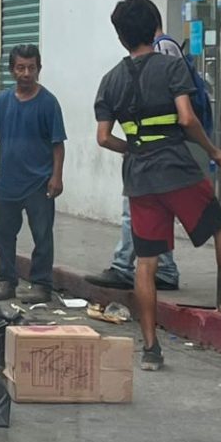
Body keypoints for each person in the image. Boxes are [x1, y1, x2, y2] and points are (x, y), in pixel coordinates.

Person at [94, 0, 221, 373]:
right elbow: (187, 118)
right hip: (176, 168)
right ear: (155, 28)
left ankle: (151, 349)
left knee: (146, 262)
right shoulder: (171, 66)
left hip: (139, 178)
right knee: (220, 228)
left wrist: (134, 149)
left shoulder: (110, 79)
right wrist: (212, 150)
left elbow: (104, 137)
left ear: (121, 36)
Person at [87, 32, 187, 293]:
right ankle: (164, 269)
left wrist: (132, 147)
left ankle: (125, 266)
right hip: (167, 155)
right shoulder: (168, 59)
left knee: (135, 213)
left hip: (145, 158)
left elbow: (103, 137)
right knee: (155, 214)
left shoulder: (121, 74)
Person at [0, 44, 66, 311]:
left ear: (39, 69)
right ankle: (6, 281)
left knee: (42, 235)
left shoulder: (48, 103)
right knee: (3, 233)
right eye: (21, 68)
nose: (26, 73)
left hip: (38, 182)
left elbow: (58, 144)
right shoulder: (1, 102)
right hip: (8, 183)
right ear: (12, 70)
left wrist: (57, 176)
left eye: (31, 68)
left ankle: (41, 285)